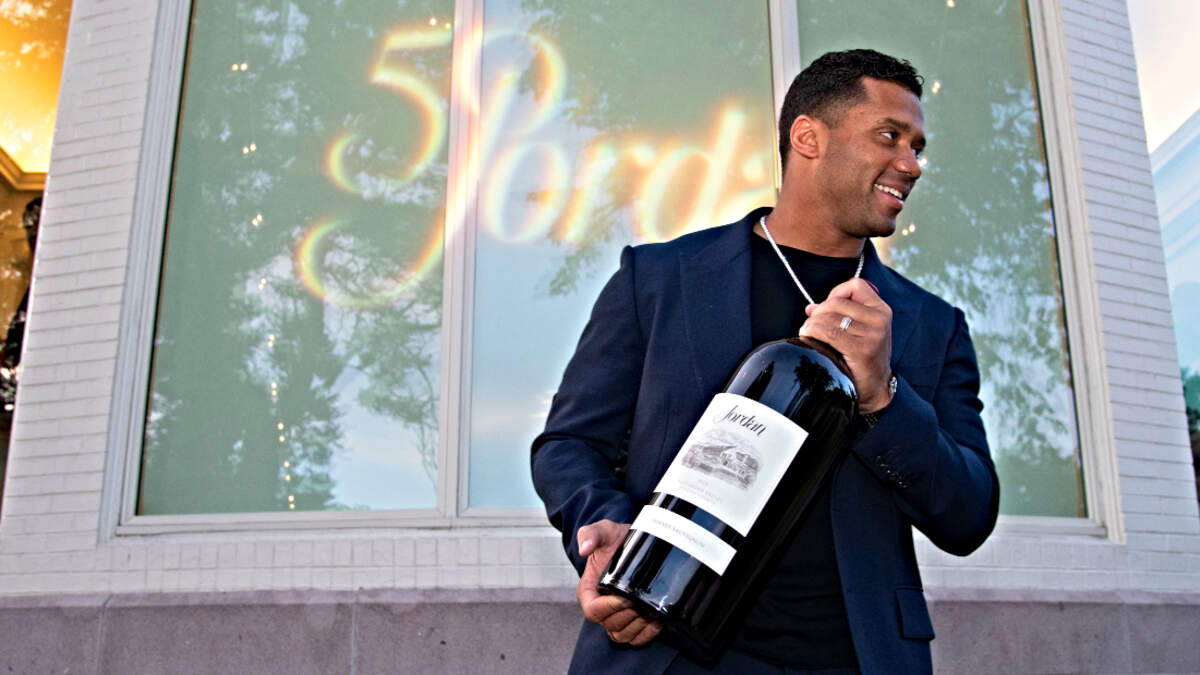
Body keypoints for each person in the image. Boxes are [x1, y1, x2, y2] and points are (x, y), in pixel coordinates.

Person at [531, 49, 999, 674]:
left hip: (853, 660)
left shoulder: (931, 325)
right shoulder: (660, 278)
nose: (911, 164)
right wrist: (607, 529)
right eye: (889, 136)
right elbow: (569, 444)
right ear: (808, 137)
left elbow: (969, 516)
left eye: (917, 147)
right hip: (667, 650)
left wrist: (883, 397)